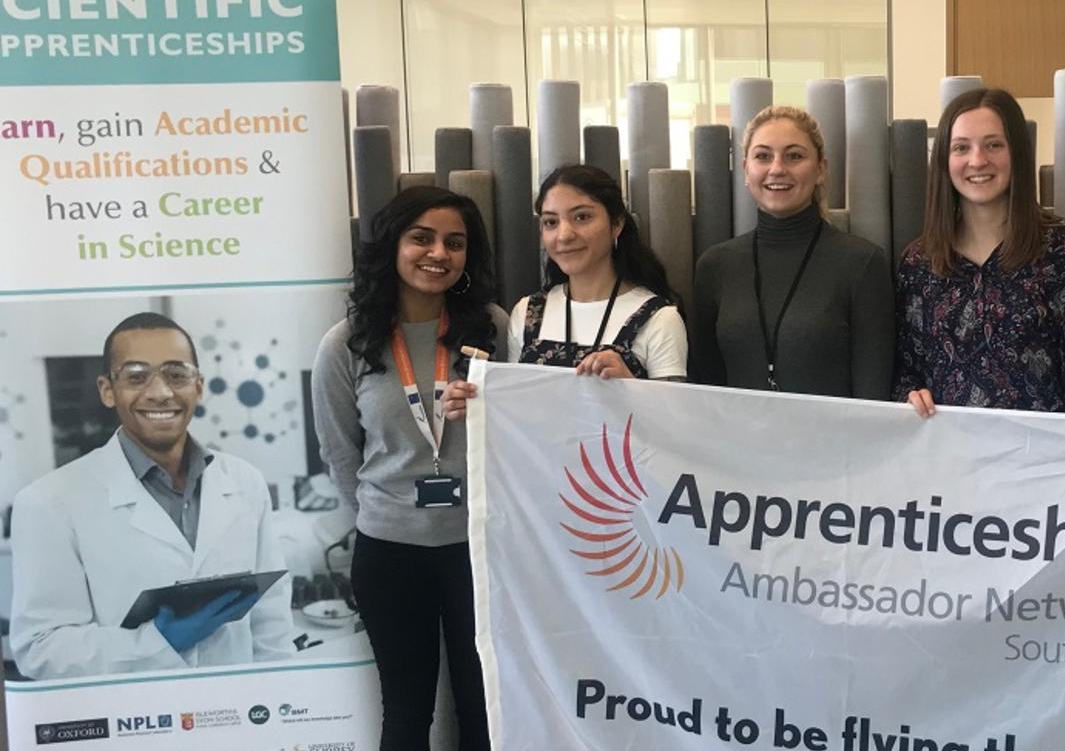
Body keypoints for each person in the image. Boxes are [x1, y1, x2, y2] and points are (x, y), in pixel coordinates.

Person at [311, 186, 508, 751]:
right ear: (393, 246)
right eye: (421, 237)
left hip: (479, 549)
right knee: (405, 712)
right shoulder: (347, 343)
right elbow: (340, 453)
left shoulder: (491, 328)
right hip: (389, 551)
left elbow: (523, 432)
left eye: (455, 242)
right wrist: (388, 509)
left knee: (484, 706)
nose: (438, 253)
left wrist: (492, 410)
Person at [10, 312, 294, 680]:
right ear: (107, 390)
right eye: (136, 376)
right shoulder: (48, 502)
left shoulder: (245, 482)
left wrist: (280, 704)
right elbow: (40, 647)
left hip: (240, 718)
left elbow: (271, 621)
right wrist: (158, 643)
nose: (160, 392)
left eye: (176, 374)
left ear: (199, 386)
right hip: (133, 724)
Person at [896, 88, 1065, 416]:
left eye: (994, 144)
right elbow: (907, 369)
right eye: (961, 148)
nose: (978, 160)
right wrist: (910, 396)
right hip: (951, 456)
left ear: (1017, 153)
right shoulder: (919, 262)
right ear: (944, 160)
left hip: (1041, 455)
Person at [441, 165, 686, 424]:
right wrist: (477, 404)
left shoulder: (659, 319)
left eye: (582, 217)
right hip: (536, 465)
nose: (564, 234)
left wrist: (629, 387)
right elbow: (518, 417)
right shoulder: (527, 313)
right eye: (550, 222)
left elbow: (675, 431)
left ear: (616, 224)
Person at [689, 105, 894, 399]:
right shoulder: (715, 267)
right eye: (763, 156)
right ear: (746, 170)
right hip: (736, 442)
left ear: (821, 169)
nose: (777, 169)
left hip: (833, 443)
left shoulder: (862, 263)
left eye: (794, 155)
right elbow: (704, 387)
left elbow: (873, 396)